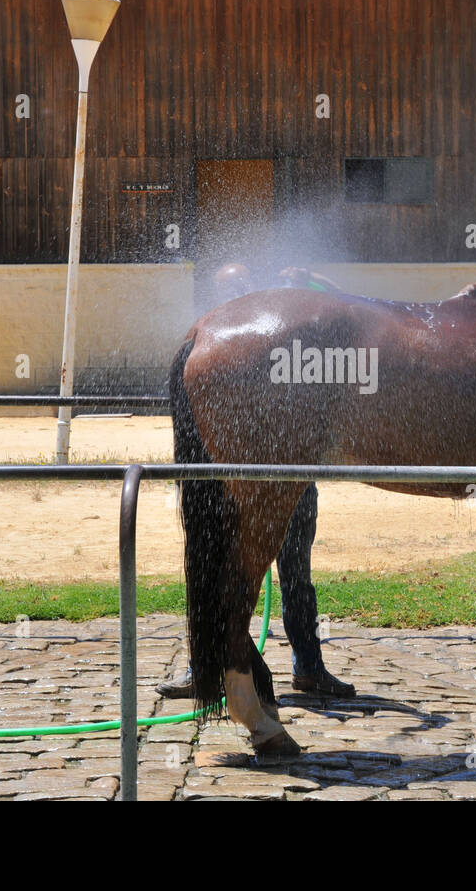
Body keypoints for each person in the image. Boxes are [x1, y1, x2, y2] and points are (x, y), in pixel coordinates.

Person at [159, 262, 355, 700]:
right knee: (224, 566)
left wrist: (317, 283)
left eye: (244, 286)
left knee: (297, 576)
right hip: (241, 486)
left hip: (294, 480)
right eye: (230, 289)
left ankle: (309, 665)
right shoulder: (221, 350)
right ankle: (205, 665)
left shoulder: (281, 334)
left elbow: (347, 311)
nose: (238, 295)